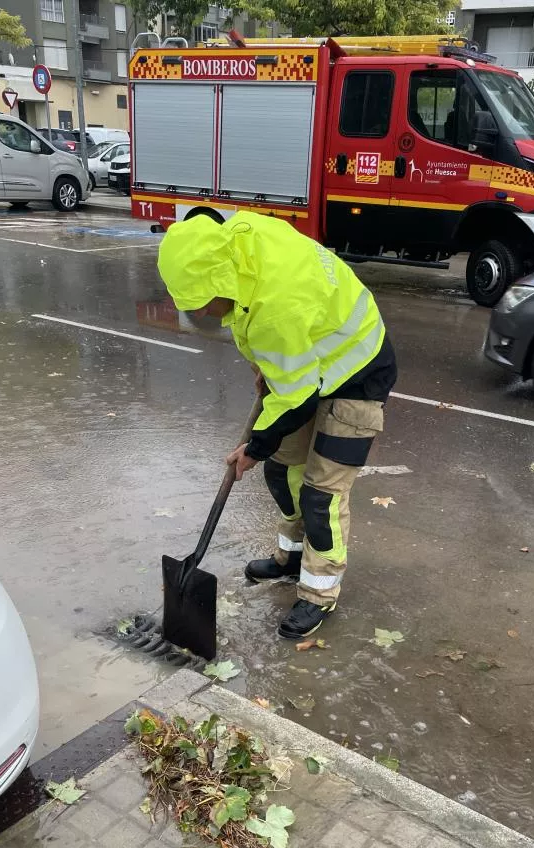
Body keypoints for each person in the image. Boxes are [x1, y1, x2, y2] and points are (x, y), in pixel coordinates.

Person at [157, 211, 397, 639]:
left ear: (220, 283)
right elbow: (278, 357)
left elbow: (297, 397)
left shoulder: (275, 311)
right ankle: (289, 558)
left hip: (357, 371)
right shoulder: (239, 241)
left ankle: (319, 593)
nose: (202, 314)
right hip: (307, 355)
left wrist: (252, 446)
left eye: (201, 305)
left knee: (322, 493)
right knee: (282, 470)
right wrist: (265, 367)